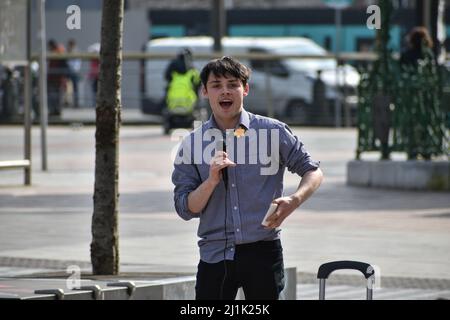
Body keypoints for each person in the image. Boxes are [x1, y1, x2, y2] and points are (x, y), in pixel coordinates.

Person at [172, 56, 323, 300]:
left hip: (263, 250)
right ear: (204, 91)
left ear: (246, 88)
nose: (225, 92)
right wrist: (211, 181)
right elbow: (185, 208)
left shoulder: (272, 132)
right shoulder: (192, 144)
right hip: (215, 254)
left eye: (233, 84)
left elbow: (313, 171)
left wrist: (294, 199)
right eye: (216, 85)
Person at [163, 48, 200, 134]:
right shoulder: (192, 71)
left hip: (172, 105)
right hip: (188, 105)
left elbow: (166, 77)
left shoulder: (173, 73)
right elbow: (198, 82)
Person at [47, 39, 68, 116]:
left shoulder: (59, 50)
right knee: (54, 94)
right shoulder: (58, 50)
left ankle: (57, 110)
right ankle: (54, 110)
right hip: (53, 77)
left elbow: (62, 63)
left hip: (58, 77)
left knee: (57, 95)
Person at [66, 39, 82, 108]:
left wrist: (74, 69)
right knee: (68, 88)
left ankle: (76, 103)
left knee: (75, 88)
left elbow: (77, 63)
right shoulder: (67, 52)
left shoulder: (76, 52)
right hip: (69, 72)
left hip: (74, 72)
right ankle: (69, 102)